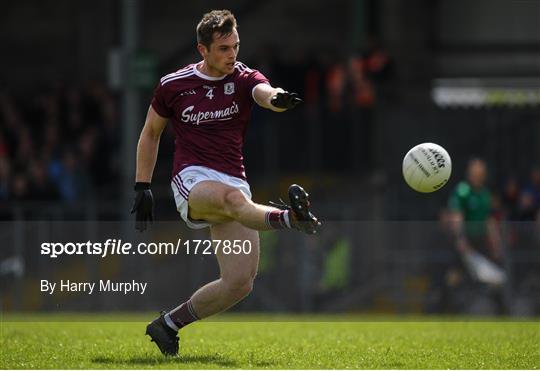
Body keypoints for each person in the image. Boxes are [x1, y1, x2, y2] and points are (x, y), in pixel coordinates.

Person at [130, 10, 321, 356]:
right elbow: (150, 133)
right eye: (223, 48)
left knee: (239, 283)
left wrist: (278, 99)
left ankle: (168, 325)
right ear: (202, 50)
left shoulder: (244, 77)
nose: (232, 54)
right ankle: (290, 219)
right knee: (233, 200)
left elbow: (264, 91)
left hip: (233, 179)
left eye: (235, 46)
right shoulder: (173, 85)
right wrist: (142, 186)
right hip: (192, 179)